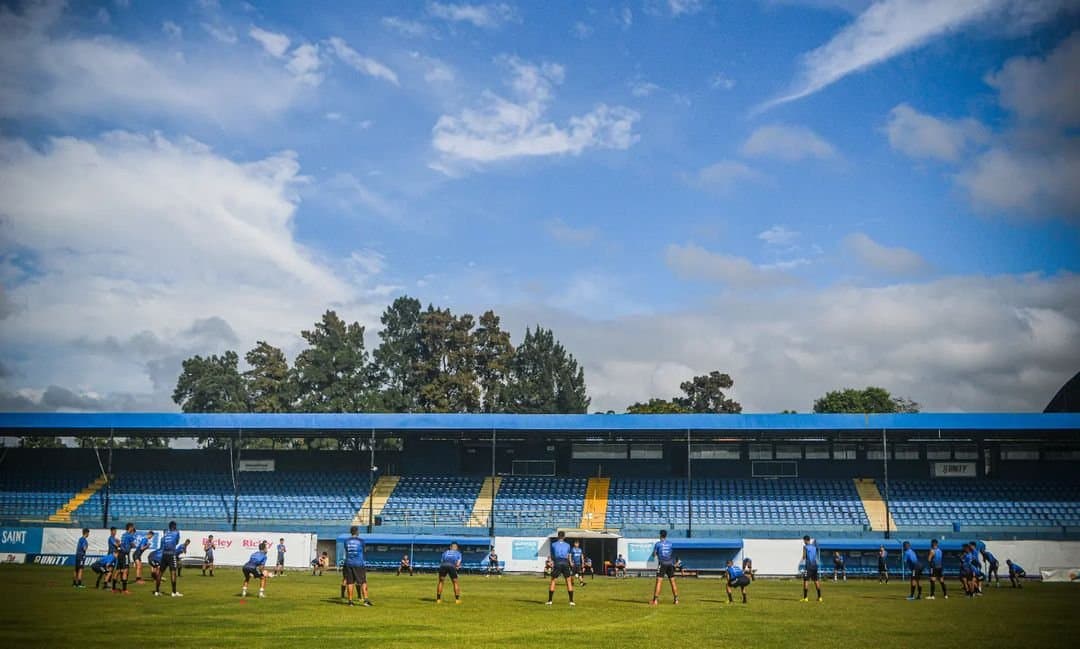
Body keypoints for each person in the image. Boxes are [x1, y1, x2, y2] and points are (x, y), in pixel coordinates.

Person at [343, 526, 372, 607]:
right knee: (363, 582)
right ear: (357, 532)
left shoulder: (346, 541)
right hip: (359, 564)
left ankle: (350, 601)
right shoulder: (361, 541)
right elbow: (364, 550)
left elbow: (346, 550)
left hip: (349, 563)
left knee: (350, 582)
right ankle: (366, 600)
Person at [547, 530, 576, 607]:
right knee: (568, 581)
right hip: (565, 563)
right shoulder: (568, 545)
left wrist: (550, 562)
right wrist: (570, 563)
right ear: (564, 537)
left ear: (557, 536)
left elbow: (552, 555)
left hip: (557, 562)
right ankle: (571, 601)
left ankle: (550, 601)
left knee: (553, 580)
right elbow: (568, 555)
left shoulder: (553, 544)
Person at [651, 529, 679, 606]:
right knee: (672, 582)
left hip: (662, 564)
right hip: (670, 564)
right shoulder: (670, 544)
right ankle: (676, 600)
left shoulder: (658, 544)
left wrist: (654, 554)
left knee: (659, 581)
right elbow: (670, 552)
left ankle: (655, 600)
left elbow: (654, 554)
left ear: (660, 535)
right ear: (666, 535)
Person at [157, 521, 182, 597]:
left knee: (160, 572)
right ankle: (174, 592)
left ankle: (157, 591)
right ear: (174, 527)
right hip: (171, 554)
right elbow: (176, 542)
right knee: (173, 572)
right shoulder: (176, 533)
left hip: (164, 554)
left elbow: (163, 544)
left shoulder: (165, 534)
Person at [114, 522, 137, 594]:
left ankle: (113, 588)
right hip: (125, 554)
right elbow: (133, 545)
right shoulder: (130, 536)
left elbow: (121, 544)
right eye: (132, 527)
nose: (133, 528)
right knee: (125, 571)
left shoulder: (123, 535)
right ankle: (124, 590)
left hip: (120, 553)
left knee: (118, 570)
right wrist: (133, 545)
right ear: (130, 528)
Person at [801, 535, 822, 602]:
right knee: (816, 581)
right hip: (815, 566)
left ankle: (805, 598)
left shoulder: (805, 547)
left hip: (808, 566)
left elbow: (804, 557)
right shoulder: (814, 547)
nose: (803, 542)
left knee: (806, 581)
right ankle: (820, 597)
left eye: (804, 540)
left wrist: (802, 559)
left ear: (806, 540)